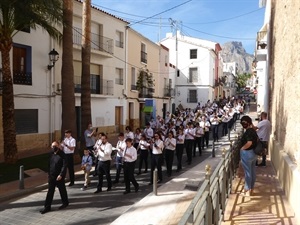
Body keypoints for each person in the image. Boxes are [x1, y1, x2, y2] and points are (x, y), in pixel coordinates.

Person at [40, 141, 69, 214]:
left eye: (55, 146)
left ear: (59, 146)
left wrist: (61, 175)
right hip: (52, 176)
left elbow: (64, 166)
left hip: (59, 176)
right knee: (50, 191)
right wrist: (49, 174)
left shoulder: (63, 155)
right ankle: (47, 207)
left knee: (62, 190)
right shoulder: (51, 154)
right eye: (53, 146)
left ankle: (65, 202)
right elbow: (49, 164)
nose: (54, 148)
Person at [239, 115, 258, 196]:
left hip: (247, 153)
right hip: (254, 153)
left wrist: (242, 148)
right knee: (252, 171)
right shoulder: (253, 131)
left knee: (248, 172)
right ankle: (252, 188)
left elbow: (249, 142)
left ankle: (247, 189)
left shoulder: (248, 132)